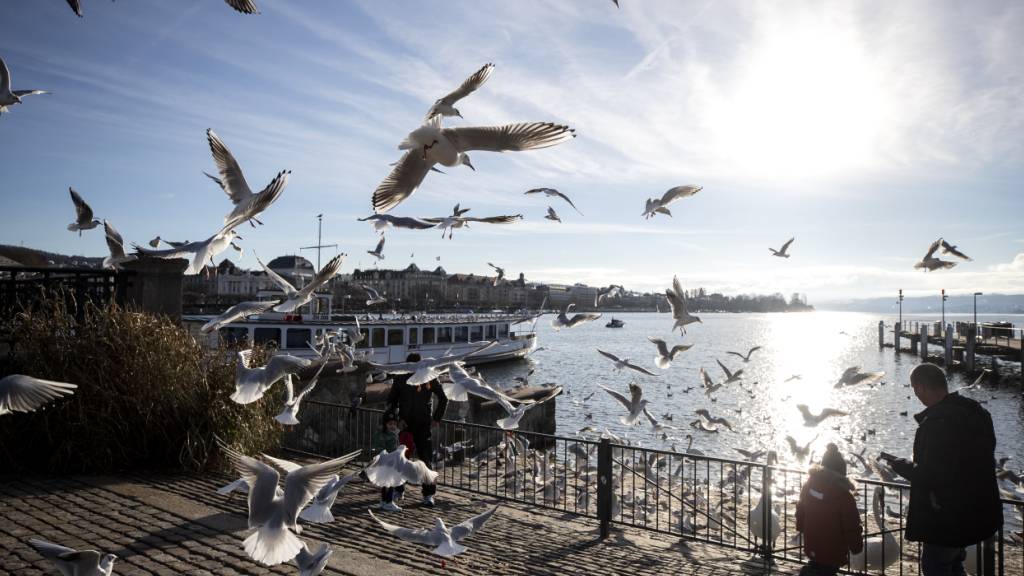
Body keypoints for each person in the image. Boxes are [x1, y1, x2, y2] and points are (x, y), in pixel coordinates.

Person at [883, 363, 1002, 575]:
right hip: (977, 510)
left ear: (920, 387)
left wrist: (902, 466)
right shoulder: (977, 413)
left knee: (936, 566)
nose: (915, 394)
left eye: (914, 388)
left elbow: (933, 476)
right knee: (954, 564)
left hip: (947, 519)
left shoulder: (938, 423)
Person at [386, 353, 448, 507]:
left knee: (425, 459)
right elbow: (391, 400)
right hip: (405, 424)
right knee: (402, 458)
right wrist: (397, 420)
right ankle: (399, 489)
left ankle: (428, 494)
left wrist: (436, 418)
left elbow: (443, 397)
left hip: (422, 423)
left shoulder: (429, 376)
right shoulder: (400, 378)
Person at [795, 443, 863, 575]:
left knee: (816, 564)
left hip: (812, 542)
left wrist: (800, 527)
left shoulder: (808, 485)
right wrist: (856, 547)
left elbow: (800, 509)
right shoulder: (843, 496)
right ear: (842, 472)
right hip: (833, 549)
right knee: (828, 569)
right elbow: (851, 526)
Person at [371, 410, 404, 512]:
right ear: (385, 424)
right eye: (390, 424)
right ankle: (388, 502)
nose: (393, 426)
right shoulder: (382, 434)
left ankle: (384, 501)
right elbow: (380, 448)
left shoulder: (393, 434)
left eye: (394, 424)